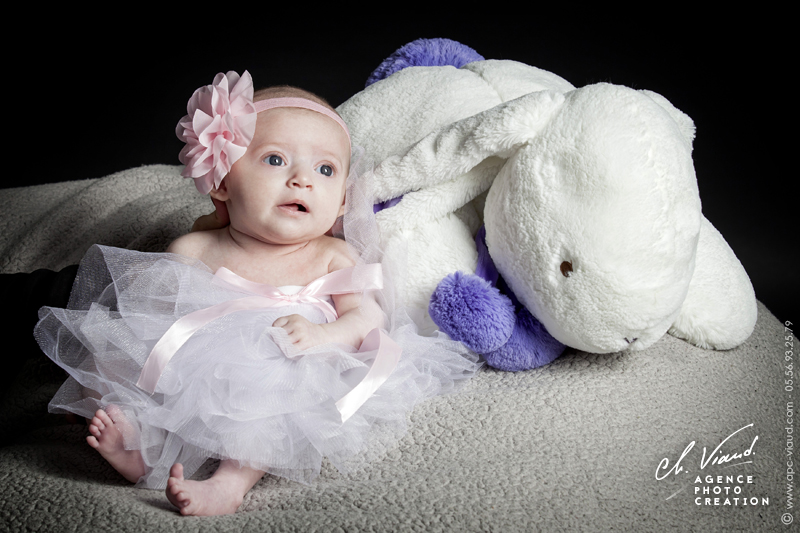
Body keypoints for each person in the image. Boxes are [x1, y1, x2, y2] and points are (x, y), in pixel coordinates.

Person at [33, 71, 480, 516]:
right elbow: (146, 315)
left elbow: (368, 319)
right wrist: (112, 376)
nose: (303, 179)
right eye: (275, 160)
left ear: (342, 200)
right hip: (199, 362)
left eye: (325, 169)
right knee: (109, 357)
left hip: (292, 360)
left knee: (273, 389)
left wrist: (323, 336)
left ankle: (230, 482)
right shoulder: (195, 248)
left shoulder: (332, 255)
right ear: (223, 181)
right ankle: (141, 448)